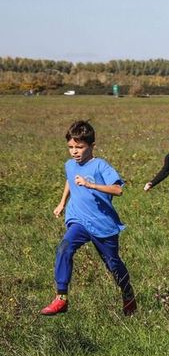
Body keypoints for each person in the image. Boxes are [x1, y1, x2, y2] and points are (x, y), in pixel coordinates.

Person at [41, 120, 136, 317]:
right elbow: (70, 179)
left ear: (92, 146)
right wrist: (62, 203)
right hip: (79, 220)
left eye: (80, 147)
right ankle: (61, 297)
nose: (74, 151)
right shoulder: (70, 165)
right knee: (64, 248)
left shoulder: (100, 165)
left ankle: (128, 294)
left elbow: (118, 190)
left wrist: (91, 185)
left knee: (112, 264)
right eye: (71, 147)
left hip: (102, 224)